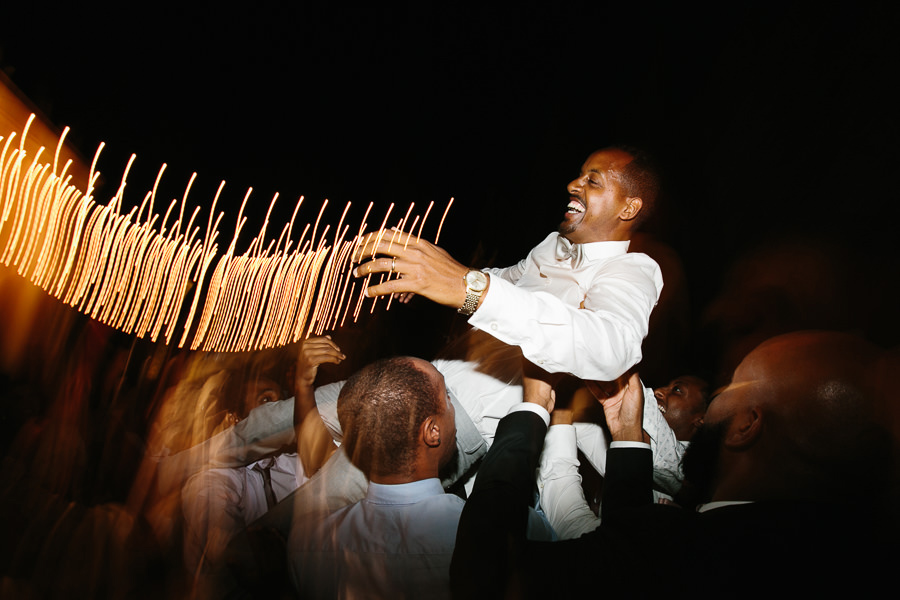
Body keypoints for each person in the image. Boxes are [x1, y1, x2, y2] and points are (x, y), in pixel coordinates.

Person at [450, 331, 896, 599]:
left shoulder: (684, 555)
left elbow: (485, 569)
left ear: (746, 426)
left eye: (729, 388)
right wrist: (627, 439)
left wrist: (533, 408)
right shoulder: (832, 563)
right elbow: (624, 547)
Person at [352, 146, 664, 382]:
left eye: (592, 181)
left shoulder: (632, 270)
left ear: (628, 208)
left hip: (464, 421)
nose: (572, 184)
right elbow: (501, 281)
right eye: (580, 174)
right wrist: (430, 275)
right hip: (435, 376)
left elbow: (610, 349)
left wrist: (467, 288)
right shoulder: (552, 246)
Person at [287, 356, 470, 599]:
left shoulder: (306, 546)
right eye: (447, 396)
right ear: (432, 431)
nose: (452, 402)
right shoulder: (483, 530)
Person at [537, 374, 709, 539]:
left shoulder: (682, 469)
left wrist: (616, 366)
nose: (659, 391)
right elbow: (588, 435)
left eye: (677, 390)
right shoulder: (633, 459)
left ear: (701, 420)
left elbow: (649, 422)